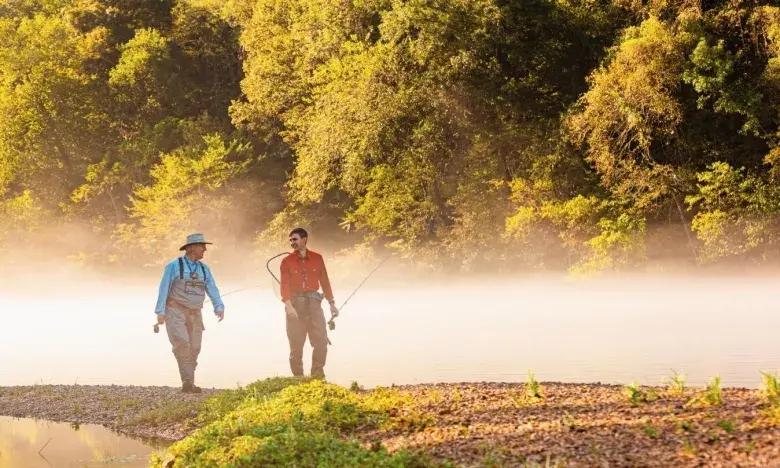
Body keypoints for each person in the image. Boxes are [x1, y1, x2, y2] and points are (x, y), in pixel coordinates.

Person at [154, 233, 224, 393]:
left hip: (196, 314)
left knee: (195, 347)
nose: (205, 250)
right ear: (191, 248)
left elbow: (212, 288)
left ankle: (189, 380)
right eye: (202, 246)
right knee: (182, 344)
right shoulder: (173, 266)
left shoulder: (205, 269)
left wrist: (219, 307)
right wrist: (160, 311)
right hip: (175, 312)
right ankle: (188, 382)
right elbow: (163, 288)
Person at [280, 228, 339, 378]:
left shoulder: (317, 258)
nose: (292, 242)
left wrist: (332, 303)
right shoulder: (286, 262)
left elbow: (325, 281)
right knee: (296, 343)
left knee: (321, 341)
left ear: (304, 239)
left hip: (314, 304)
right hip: (295, 304)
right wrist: (288, 306)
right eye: (291, 240)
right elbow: (284, 285)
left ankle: (317, 374)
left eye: (295, 239)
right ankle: (298, 377)